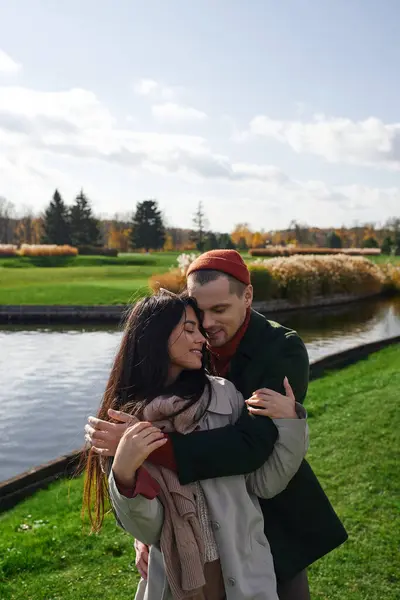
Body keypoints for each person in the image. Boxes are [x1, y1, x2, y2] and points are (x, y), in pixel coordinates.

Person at [85, 250, 348, 600]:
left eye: (220, 310)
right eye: (198, 312)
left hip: (272, 513)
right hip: (193, 525)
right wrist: (148, 529)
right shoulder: (188, 349)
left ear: (248, 297)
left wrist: (143, 444)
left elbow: (251, 446)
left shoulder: (282, 349)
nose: (206, 326)